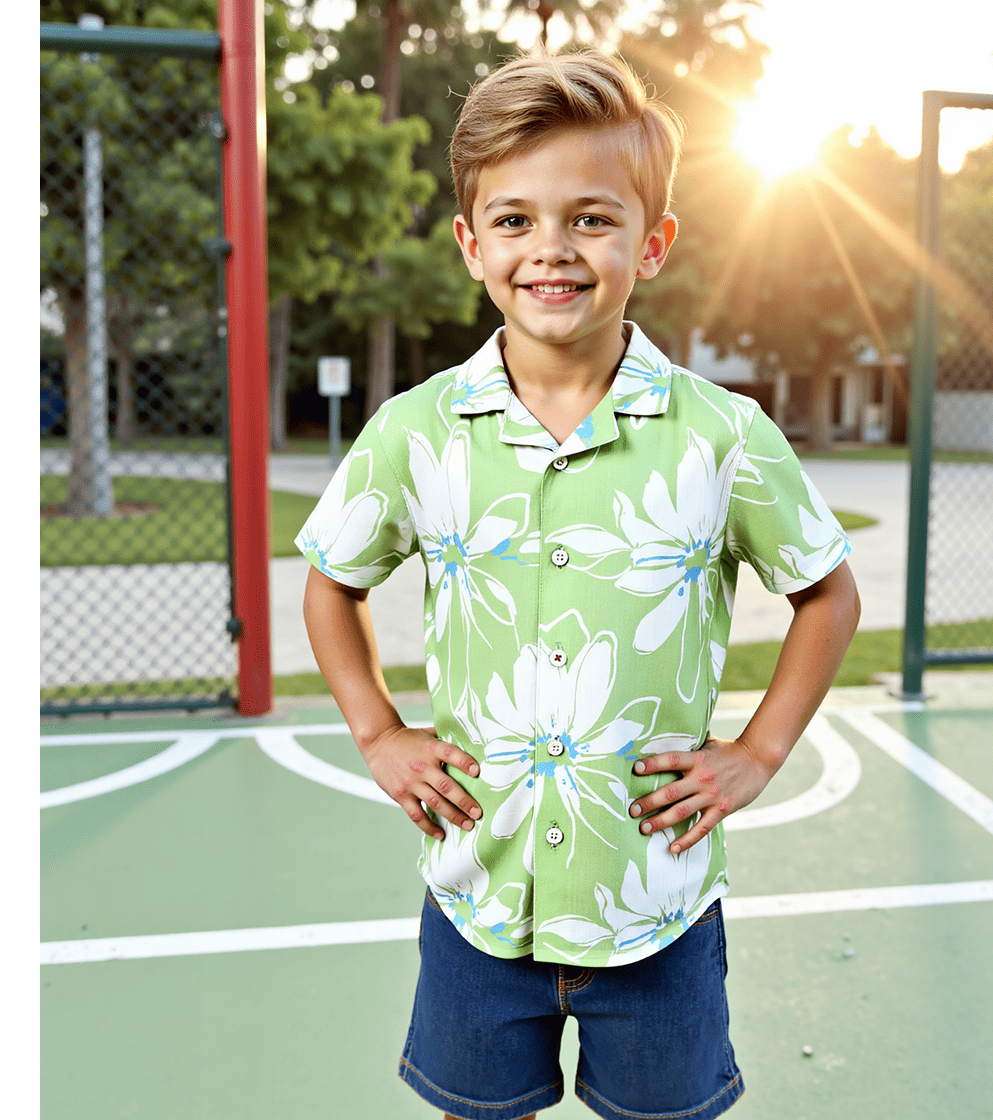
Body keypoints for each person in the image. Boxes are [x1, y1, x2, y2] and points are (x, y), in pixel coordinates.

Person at [296, 48, 861, 1120]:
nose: (551, 249)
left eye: (591, 219)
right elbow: (333, 581)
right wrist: (379, 732)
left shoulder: (725, 436)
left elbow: (826, 593)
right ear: (470, 244)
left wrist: (759, 750)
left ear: (652, 241)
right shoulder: (413, 433)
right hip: (477, 896)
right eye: (514, 220)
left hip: (657, 898)